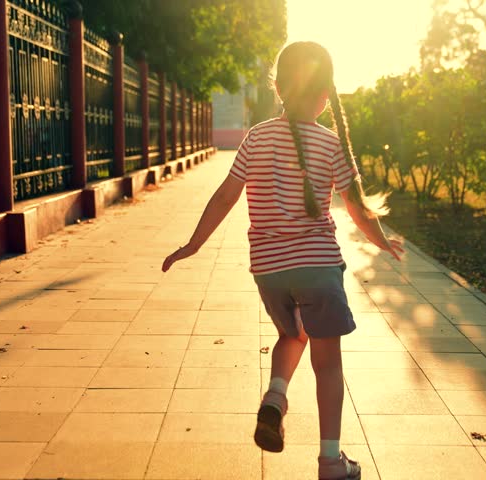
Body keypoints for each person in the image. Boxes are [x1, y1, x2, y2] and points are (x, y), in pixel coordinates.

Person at [162, 41, 403, 480]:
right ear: (325, 96)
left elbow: (226, 195)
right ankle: (330, 462)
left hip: (269, 271)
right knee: (327, 364)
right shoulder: (330, 143)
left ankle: (275, 397)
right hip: (318, 268)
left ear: (278, 87)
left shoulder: (256, 137)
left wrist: (193, 244)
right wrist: (383, 242)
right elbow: (356, 207)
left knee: (292, 334)